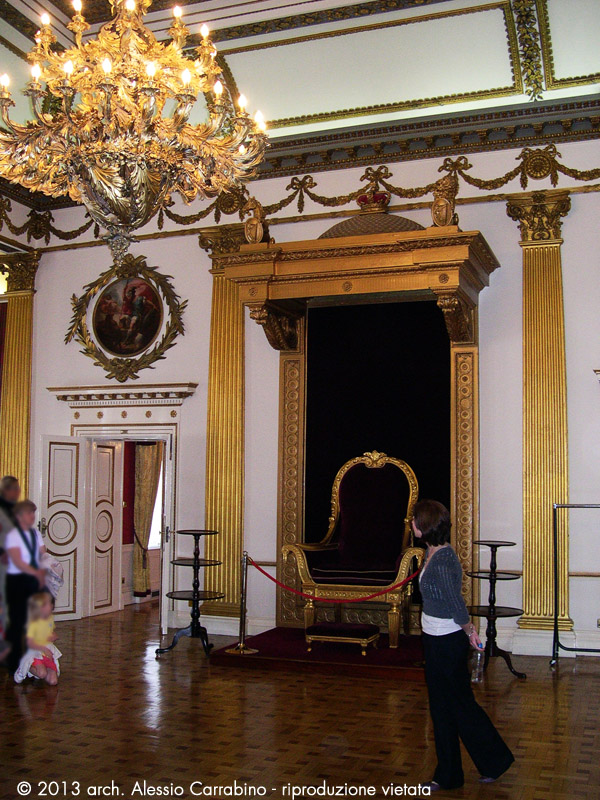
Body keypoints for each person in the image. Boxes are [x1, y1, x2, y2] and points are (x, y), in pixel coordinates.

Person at [413, 499, 514, 792]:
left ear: (424, 525)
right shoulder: (431, 552)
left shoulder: (443, 560)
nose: (411, 523)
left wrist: (469, 630)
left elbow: (455, 602)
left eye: (415, 519)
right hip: (434, 638)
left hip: (447, 641)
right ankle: (448, 775)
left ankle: (494, 760)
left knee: (459, 705)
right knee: (442, 708)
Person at [4, 500, 46, 673]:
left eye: (33, 513)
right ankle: (13, 661)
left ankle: (32, 660)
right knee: (17, 621)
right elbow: (17, 560)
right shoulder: (12, 535)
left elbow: (42, 552)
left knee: (34, 621)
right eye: (29, 513)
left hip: (32, 581)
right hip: (16, 580)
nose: (32, 516)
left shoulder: (35, 533)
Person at [14, 592, 61, 685]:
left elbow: (50, 633)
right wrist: (44, 648)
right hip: (35, 651)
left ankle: (42, 668)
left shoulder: (49, 618)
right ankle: (27, 667)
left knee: (53, 681)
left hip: (47, 651)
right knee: (42, 674)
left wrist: (53, 636)